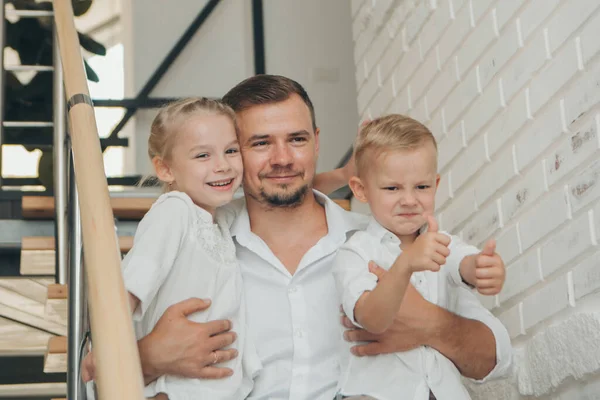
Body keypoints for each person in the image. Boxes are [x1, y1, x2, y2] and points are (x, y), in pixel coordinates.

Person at [83, 75, 512, 400]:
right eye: (260, 143)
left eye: (297, 139)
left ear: (317, 142)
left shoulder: (381, 243)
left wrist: (428, 325)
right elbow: (93, 373)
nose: (283, 158)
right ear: (233, 151)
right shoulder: (194, 249)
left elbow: (496, 360)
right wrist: (149, 356)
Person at [332, 115, 507, 400]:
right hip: (375, 395)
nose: (410, 200)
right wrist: (405, 264)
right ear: (361, 190)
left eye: (421, 187)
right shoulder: (355, 252)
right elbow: (371, 320)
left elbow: (462, 262)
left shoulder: (439, 240)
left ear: (435, 185)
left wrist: (483, 269)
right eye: (392, 188)